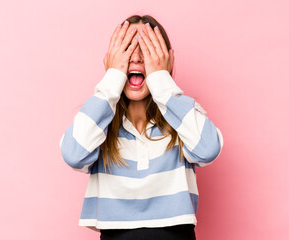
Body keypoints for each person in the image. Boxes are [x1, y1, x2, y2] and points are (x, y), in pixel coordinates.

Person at [59, 14, 224, 240]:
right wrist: (112, 78)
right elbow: (73, 155)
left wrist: (161, 81)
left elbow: (208, 150)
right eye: (127, 48)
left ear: (165, 59)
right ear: (110, 60)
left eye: (146, 49)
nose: (136, 58)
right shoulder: (98, 121)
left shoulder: (183, 115)